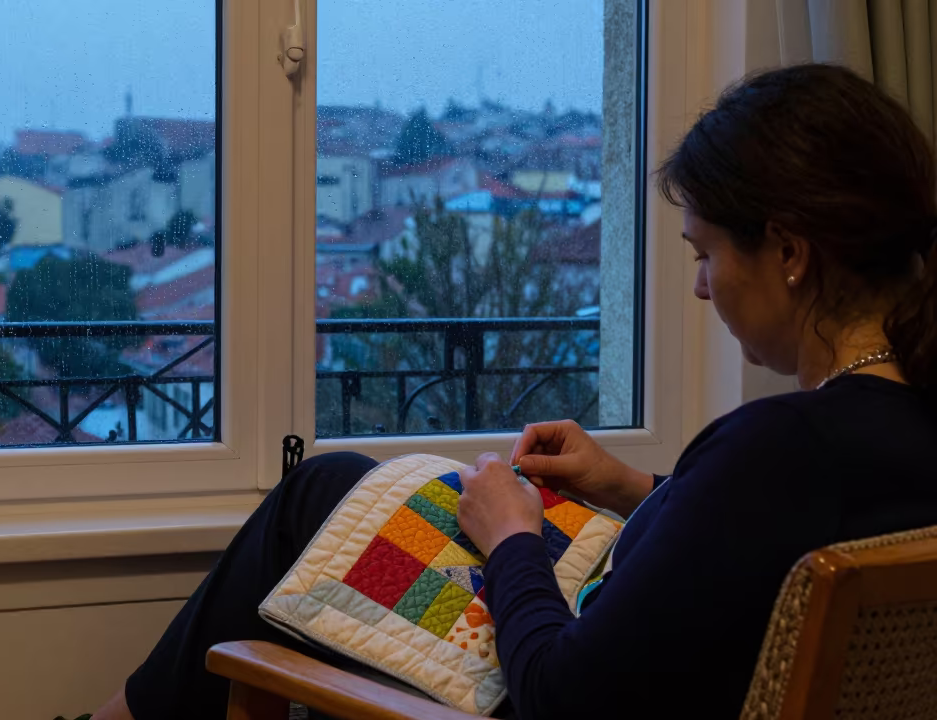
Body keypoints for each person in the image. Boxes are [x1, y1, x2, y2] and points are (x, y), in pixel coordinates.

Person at [95, 64, 937, 720]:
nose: (701, 290)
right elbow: (759, 538)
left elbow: (562, 697)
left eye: (704, 253)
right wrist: (629, 488)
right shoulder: (894, 430)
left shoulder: (779, 445)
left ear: (789, 252)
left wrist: (511, 538)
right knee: (327, 482)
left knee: (311, 502)